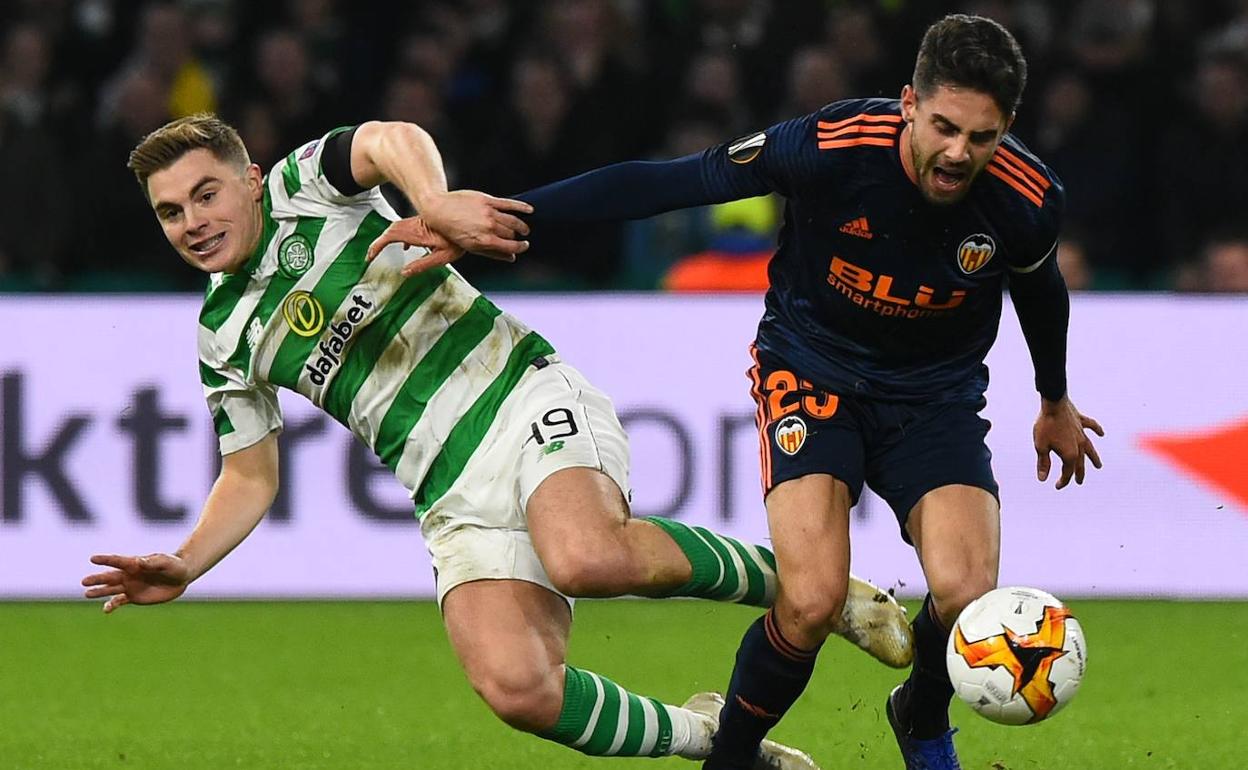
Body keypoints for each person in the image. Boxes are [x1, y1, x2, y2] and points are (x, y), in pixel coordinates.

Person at [80, 114, 915, 768]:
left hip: (520, 397)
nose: (193, 221)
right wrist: (187, 561)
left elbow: (387, 140)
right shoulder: (221, 332)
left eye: (207, 193)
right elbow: (250, 476)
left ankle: (817, 589)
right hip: (446, 489)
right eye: (170, 211)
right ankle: (717, 739)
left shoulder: (304, 185)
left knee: (585, 555)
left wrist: (432, 201)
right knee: (519, 690)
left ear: (251, 181)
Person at [404, 14, 1102, 770]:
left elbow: (1041, 288)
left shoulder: (1028, 198)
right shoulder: (830, 147)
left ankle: (922, 716)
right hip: (813, 371)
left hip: (933, 396)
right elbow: (670, 181)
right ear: (908, 102)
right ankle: (730, 758)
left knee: (966, 591)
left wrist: (1054, 398)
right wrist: (505, 216)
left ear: (1008, 130)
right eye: (944, 127)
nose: (959, 153)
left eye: (982, 137)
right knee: (808, 600)